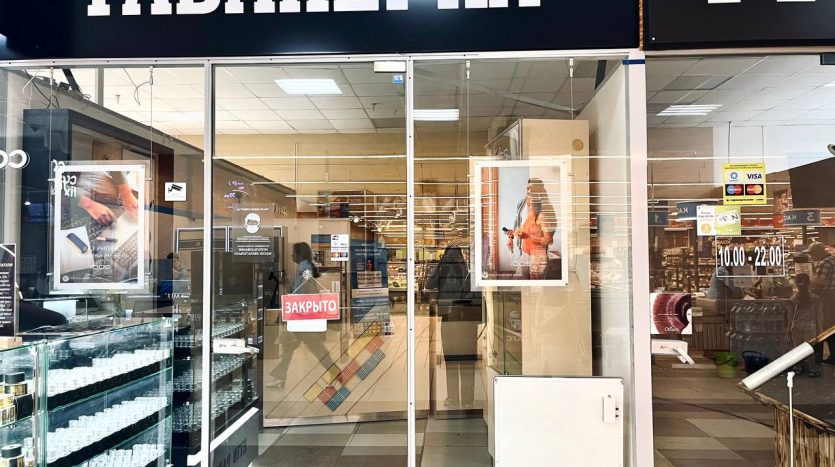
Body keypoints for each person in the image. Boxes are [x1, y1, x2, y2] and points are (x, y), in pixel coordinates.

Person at [268, 242, 332, 388]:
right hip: (303, 315)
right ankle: (280, 376)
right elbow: (300, 290)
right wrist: (286, 283)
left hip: (303, 316)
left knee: (312, 348)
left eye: (294, 253)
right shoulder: (304, 267)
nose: (292, 255)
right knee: (291, 347)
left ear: (300, 254)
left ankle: (335, 373)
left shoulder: (304, 268)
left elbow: (306, 291)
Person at [426, 247, 480, 409]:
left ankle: (454, 397)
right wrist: (440, 266)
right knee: (465, 359)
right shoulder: (459, 270)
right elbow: (429, 284)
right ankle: (466, 399)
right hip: (461, 319)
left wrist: (441, 265)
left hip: (455, 318)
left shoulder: (465, 271)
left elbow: (429, 285)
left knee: (453, 359)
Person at [504, 178, 556, 280]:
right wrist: (510, 237)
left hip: (537, 254)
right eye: (528, 188)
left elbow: (549, 240)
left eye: (533, 189)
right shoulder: (521, 204)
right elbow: (517, 222)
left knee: (535, 286)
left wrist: (527, 236)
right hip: (523, 251)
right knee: (520, 282)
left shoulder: (544, 211)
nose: (529, 191)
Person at [804, 242, 835, 364]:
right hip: (832, 297)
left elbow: (821, 281)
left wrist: (808, 280)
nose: (811, 256)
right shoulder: (832, 260)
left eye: (812, 253)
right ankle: (833, 356)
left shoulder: (824, 263)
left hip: (824, 298)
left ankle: (818, 357)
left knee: (820, 326)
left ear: (817, 252)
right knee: (830, 327)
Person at [790, 273, 822, 377]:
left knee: (797, 348)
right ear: (809, 283)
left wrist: (789, 327)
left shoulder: (793, 299)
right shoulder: (815, 298)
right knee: (809, 348)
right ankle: (811, 369)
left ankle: (797, 368)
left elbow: (791, 315)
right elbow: (819, 315)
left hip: (796, 327)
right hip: (810, 327)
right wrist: (820, 329)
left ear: (796, 284)